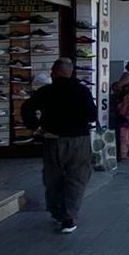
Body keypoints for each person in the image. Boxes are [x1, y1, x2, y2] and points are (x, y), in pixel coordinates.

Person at [21, 58, 97, 233]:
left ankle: (57, 211)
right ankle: (70, 216)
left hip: (53, 138)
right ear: (69, 72)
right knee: (77, 177)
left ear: (56, 72)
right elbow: (92, 115)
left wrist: (36, 126)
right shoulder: (82, 90)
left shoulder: (46, 91)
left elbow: (26, 108)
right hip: (79, 139)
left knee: (53, 177)